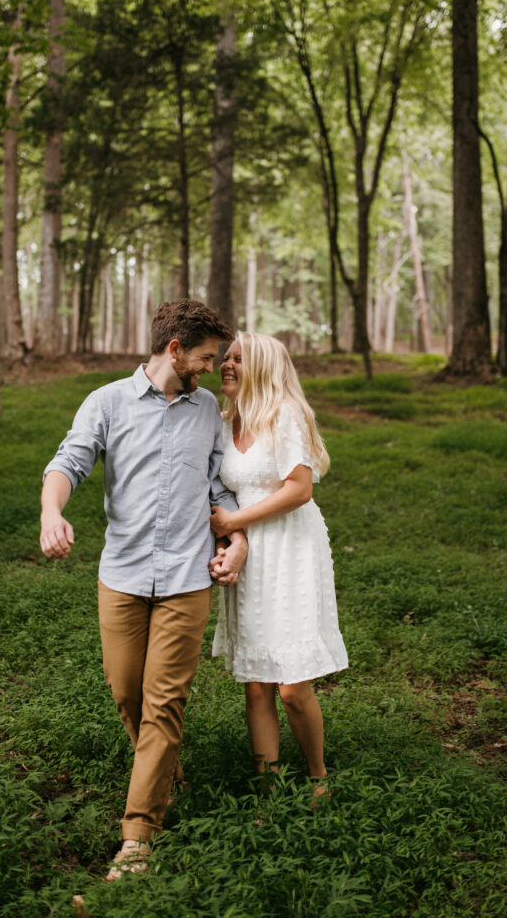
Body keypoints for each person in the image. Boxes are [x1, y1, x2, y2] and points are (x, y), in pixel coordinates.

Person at [40, 300, 247, 882]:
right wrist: (51, 513)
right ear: (175, 349)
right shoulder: (106, 402)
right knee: (126, 690)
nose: (211, 369)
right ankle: (163, 769)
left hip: (186, 577)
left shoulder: (208, 409)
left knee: (163, 703)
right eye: (205, 358)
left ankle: (138, 837)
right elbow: (69, 461)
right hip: (123, 575)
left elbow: (218, 487)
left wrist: (237, 537)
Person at [209, 332, 348, 794]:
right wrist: (232, 537)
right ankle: (269, 789)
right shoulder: (224, 418)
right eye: (225, 357)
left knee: (291, 684)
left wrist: (234, 519)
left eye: (238, 359)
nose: (225, 364)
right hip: (248, 550)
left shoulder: (284, 414)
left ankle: (316, 775)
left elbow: (299, 489)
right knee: (256, 682)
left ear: (265, 368)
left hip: (290, 547)